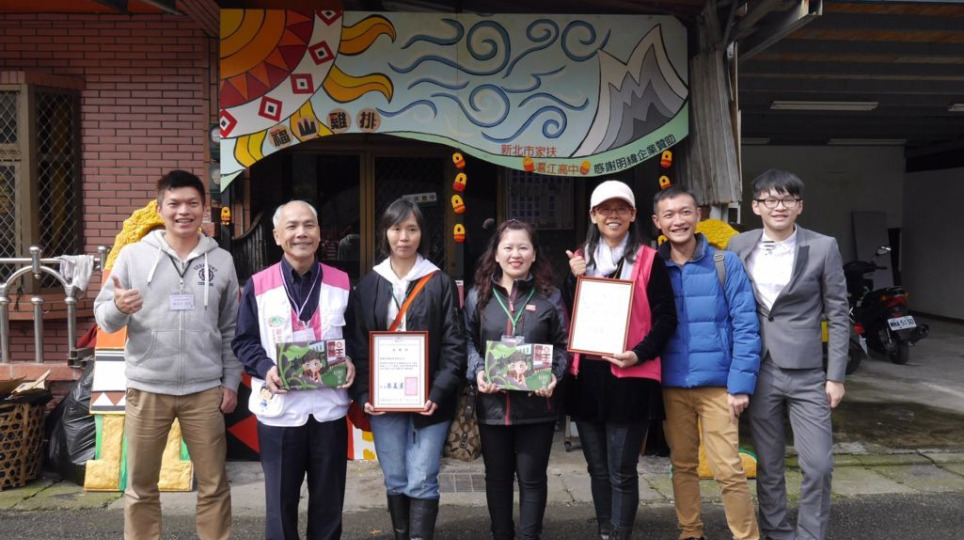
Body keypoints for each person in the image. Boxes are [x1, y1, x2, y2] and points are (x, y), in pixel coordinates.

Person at [94, 170, 240, 540]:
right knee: (141, 486)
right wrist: (119, 308)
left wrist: (231, 381)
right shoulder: (133, 256)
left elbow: (231, 327)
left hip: (204, 390)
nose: (183, 211)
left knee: (214, 484)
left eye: (192, 203)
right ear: (160, 209)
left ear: (204, 209)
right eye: (174, 204)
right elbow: (104, 319)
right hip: (147, 389)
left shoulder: (222, 260)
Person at [728, 169, 848, 540]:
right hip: (759, 368)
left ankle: (810, 534)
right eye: (770, 199)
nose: (778, 206)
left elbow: (838, 313)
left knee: (818, 465)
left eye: (787, 199)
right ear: (755, 206)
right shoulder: (738, 245)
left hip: (808, 372)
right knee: (769, 464)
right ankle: (777, 531)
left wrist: (836, 376)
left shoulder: (823, 246)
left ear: (799, 206)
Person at [232, 200, 356, 540]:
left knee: (329, 504)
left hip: (328, 411)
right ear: (277, 236)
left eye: (308, 225)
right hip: (280, 413)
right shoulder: (258, 285)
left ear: (319, 233)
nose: (301, 233)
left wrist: (350, 359)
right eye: (292, 226)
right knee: (280, 505)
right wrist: (266, 367)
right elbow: (243, 341)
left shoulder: (342, 282)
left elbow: (355, 338)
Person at [562, 180, 677, 540]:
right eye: (605, 209)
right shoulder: (580, 259)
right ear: (593, 216)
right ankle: (605, 530)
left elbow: (666, 318)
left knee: (622, 469)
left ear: (632, 214)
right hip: (587, 375)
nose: (613, 215)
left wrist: (639, 353)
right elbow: (567, 314)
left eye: (621, 208)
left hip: (631, 374)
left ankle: (620, 533)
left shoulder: (649, 259)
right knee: (597, 467)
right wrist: (574, 279)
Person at [350, 198, 467, 540]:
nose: (404, 237)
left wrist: (439, 391)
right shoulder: (369, 285)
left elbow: (454, 343)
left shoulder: (439, 282)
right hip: (384, 401)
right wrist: (364, 393)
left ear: (422, 234)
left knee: (423, 477)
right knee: (396, 477)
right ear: (384, 233)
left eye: (412, 229)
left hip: (430, 399)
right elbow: (358, 344)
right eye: (396, 228)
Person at [652, 186, 761, 540]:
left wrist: (741, 385)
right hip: (671, 384)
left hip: (718, 385)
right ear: (657, 222)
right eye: (669, 215)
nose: (678, 221)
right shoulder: (652, 267)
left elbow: (746, 325)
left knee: (728, 468)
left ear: (697, 215)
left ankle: (746, 536)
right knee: (682, 465)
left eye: (685, 212)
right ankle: (690, 532)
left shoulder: (723, 262)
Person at [463, 220, 569, 540]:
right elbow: (466, 342)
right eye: (508, 247)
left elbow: (564, 346)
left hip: (537, 408)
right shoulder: (477, 297)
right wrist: (478, 371)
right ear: (496, 254)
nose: (516, 254)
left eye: (523, 247)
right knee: (497, 480)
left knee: (532, 480)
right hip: (493, 407)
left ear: (534, 254)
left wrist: (554, 375)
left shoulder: (550, 297)